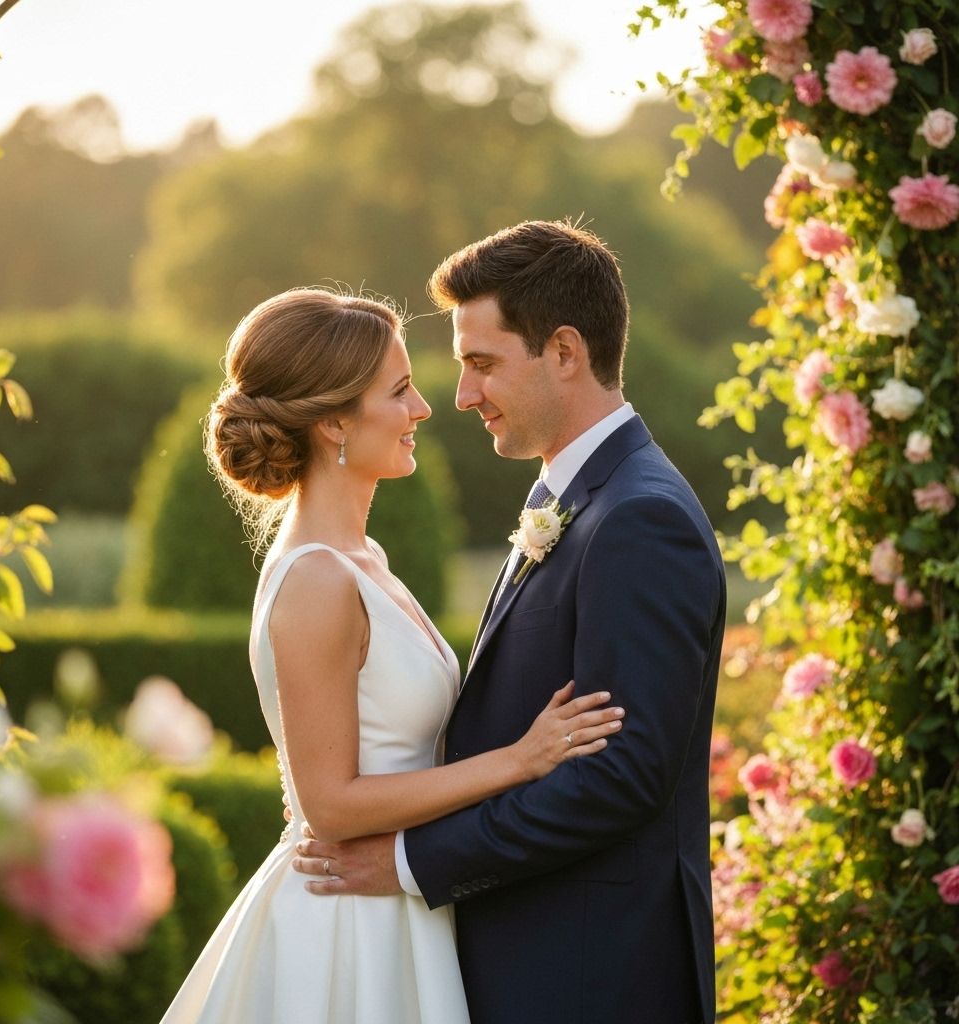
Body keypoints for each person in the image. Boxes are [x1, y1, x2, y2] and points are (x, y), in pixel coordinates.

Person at [293, 221, 727, 1024]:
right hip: (532, 960)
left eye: (482, 364)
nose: (460, 397)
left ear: (565, 351)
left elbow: (618, 778)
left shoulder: (639, 518)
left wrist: (412, 862)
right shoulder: (565, 499)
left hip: (593, 976)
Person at [158, 287, 624, 1024]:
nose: (424, 410)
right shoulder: (316, 578)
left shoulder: (363, 558)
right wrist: (521, 761)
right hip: (345, 928)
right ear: (335, 420)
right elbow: (332, 805)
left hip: (398, 900)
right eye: (400, 391)